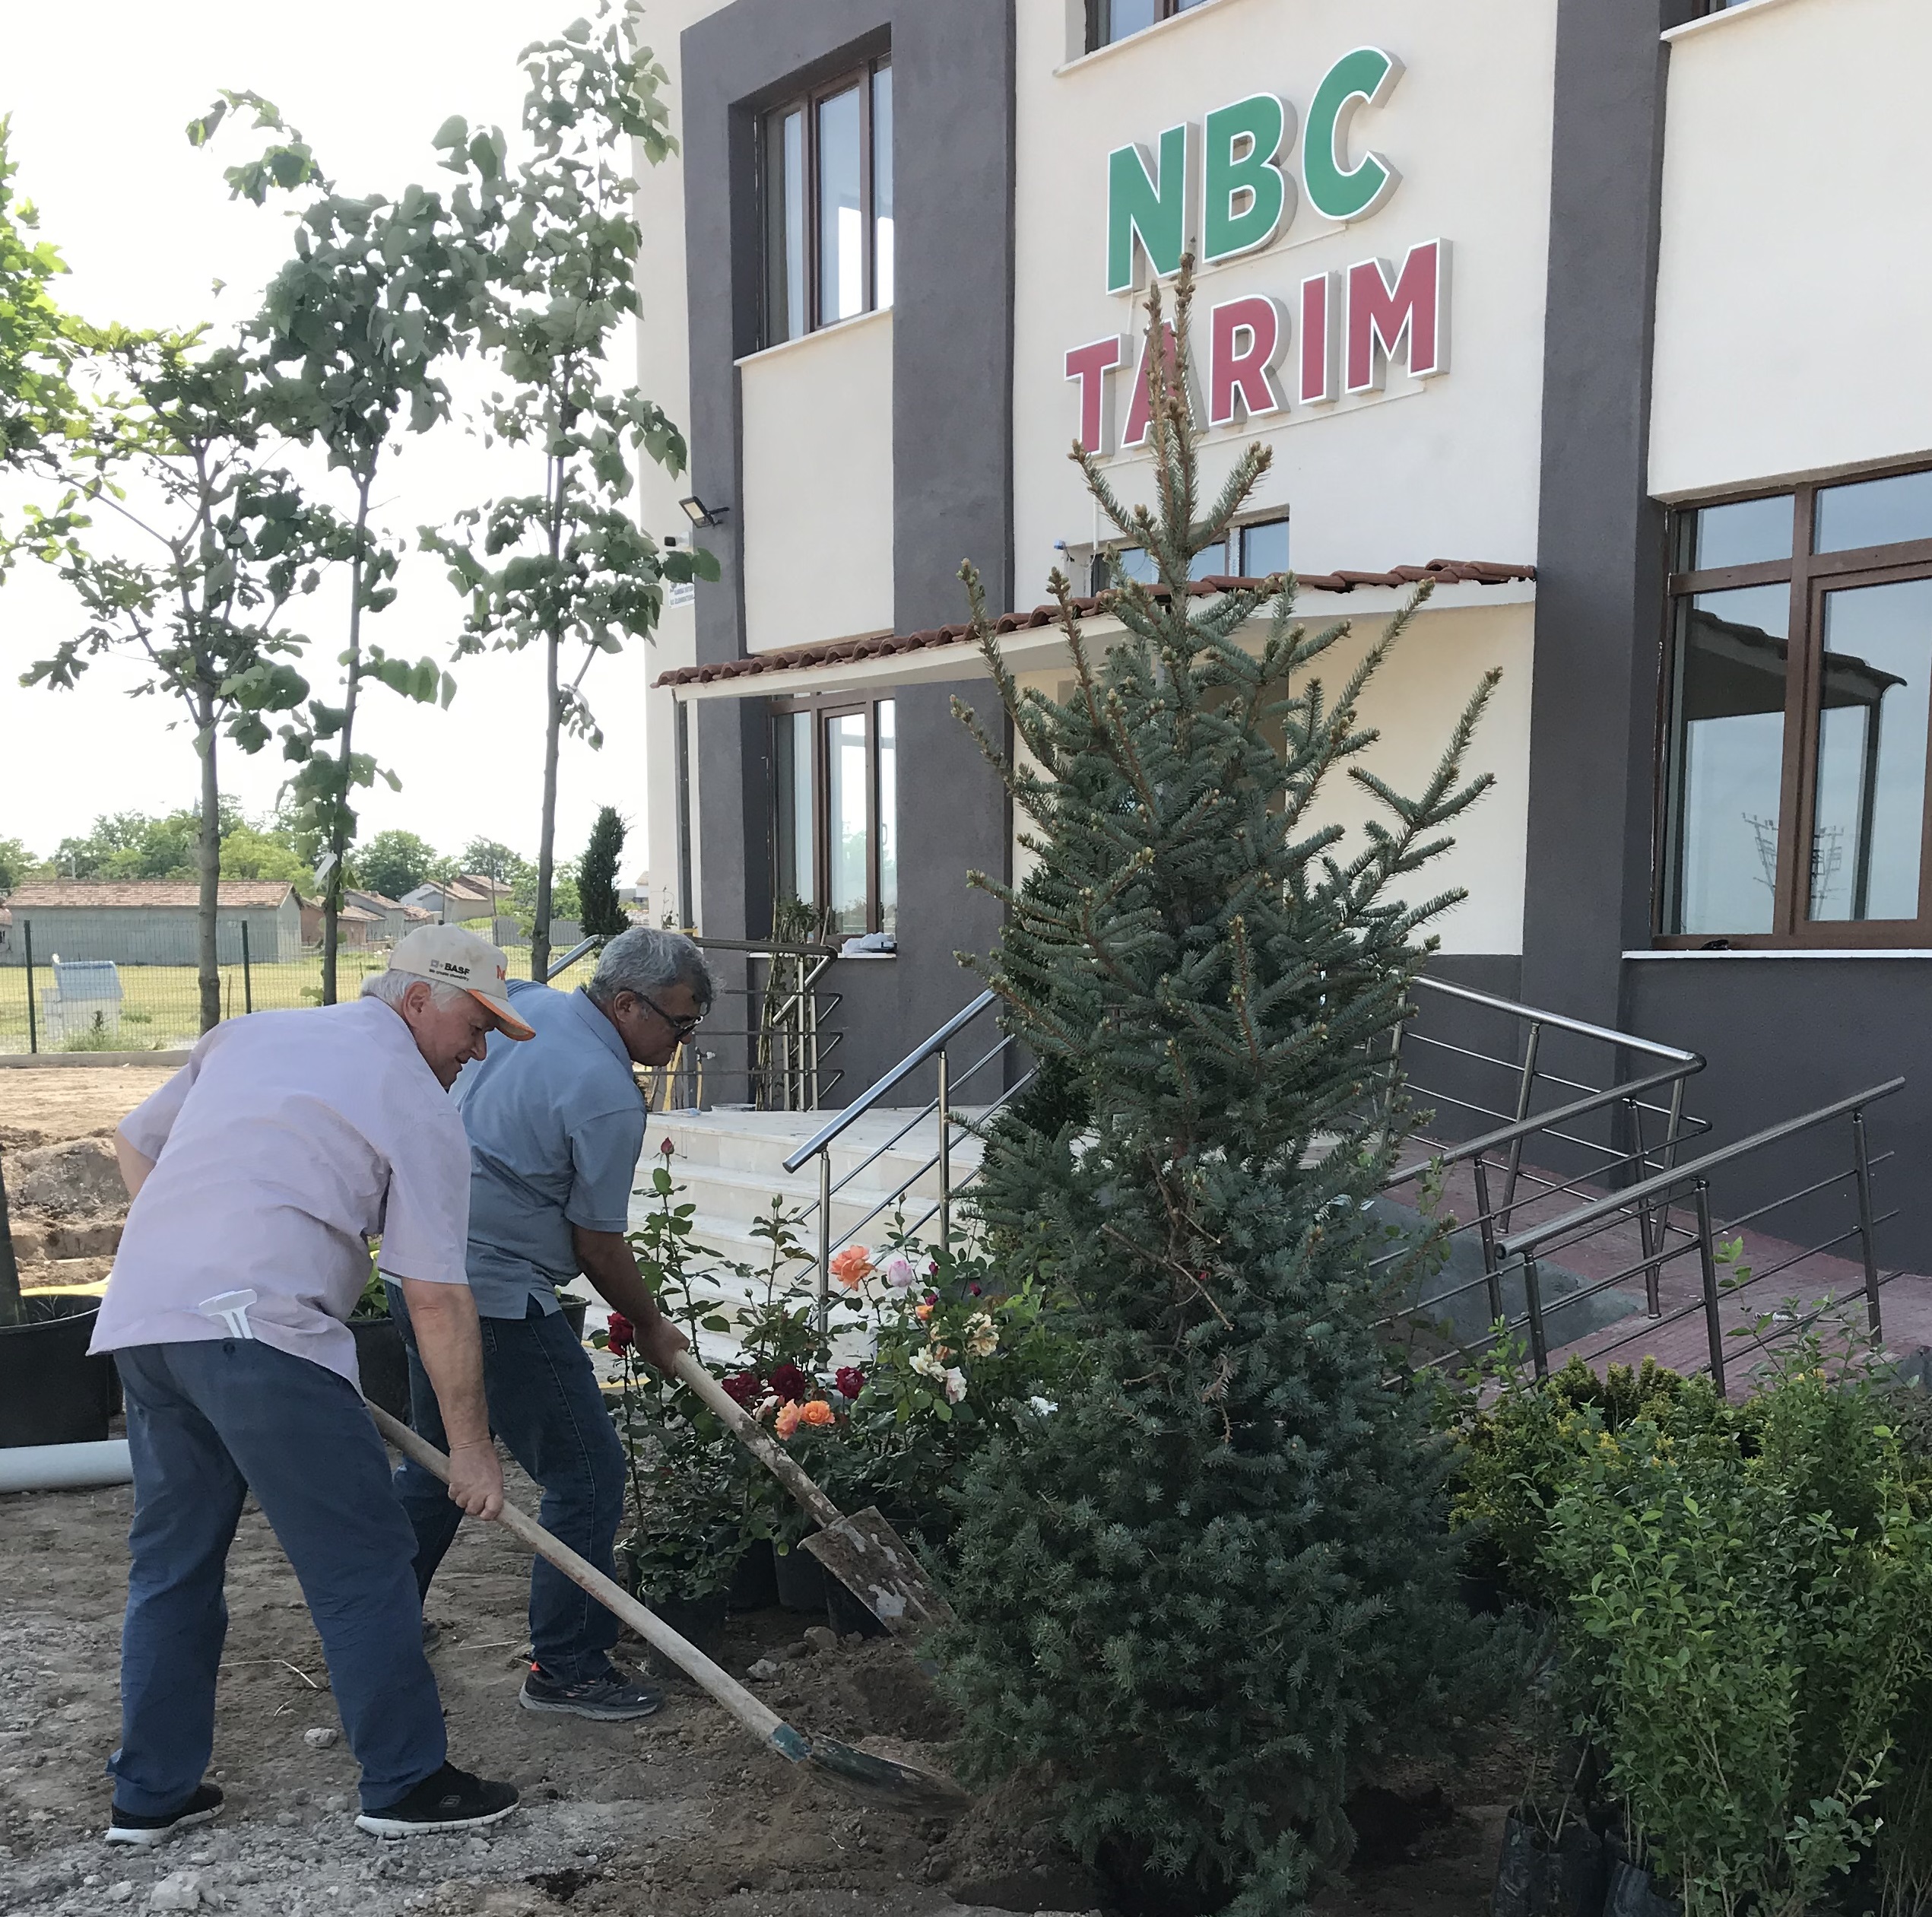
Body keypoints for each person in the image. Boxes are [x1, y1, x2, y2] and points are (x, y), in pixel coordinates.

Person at [90, 926, 534, 1846]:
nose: (478, 1050)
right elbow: (438, 1298)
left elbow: (136, 1142)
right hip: (264, 1335)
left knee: (172, 1567)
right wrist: (472, 1449)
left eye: (492, 1033)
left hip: (150, 1324)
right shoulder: (415, 1101)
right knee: (362, 1562)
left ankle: (150, 1795)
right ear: (415, 1000)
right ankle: (407, 1785)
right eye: (472, 1024)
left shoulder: (254, 1034)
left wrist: (192, 1250)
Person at [388, 926, 709, 1722]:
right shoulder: (607, 1091)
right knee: (588, 1474)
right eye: (678, 1022)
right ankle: (564, 1665)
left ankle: (375, 1620)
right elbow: (597, 1243)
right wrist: (653, 1324)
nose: (683, 1039)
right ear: (628, 1004)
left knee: (438, 1464)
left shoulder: (527, 1006)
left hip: (417, 1271)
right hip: (490, 1297)